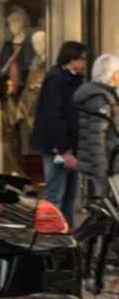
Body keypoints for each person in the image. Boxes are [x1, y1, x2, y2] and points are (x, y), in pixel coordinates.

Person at [31, 41, 88, 223]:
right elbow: (54, 117)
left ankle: (66, 236)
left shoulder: (70, 79)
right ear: (73, 58)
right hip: (59, 149)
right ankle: (48, 239)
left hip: (69, 147)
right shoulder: (56, 79)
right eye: (83, 59)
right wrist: (65, 150)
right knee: (55, 196)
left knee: (69, 196)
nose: (85, 63)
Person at [74, 53, 119, 192]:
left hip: (111, 162)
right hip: (109, 165)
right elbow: (96, 135)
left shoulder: (107, 94)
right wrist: (100, 170)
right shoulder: (100, 97)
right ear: (111, 73)